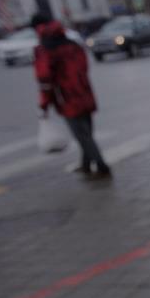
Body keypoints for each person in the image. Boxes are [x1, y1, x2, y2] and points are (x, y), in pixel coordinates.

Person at [31, 12, 110, 179]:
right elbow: (84, 67)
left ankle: (102, 166)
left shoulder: (44, 50)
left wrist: (44, 105)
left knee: (83, 136)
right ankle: (86, 165)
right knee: (86, 133)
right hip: (85, 93)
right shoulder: (72, 44)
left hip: (67, 98)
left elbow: (45, 81)